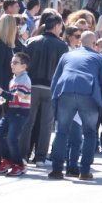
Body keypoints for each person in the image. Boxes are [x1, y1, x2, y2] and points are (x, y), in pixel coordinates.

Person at [47, 31, 102, 181]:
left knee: (61, 132)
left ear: (79, 42)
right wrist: (99, 103)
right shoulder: (100, 58)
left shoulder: (67, 55)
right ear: (95, 44)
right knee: (89, 133)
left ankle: (56, 170)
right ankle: (85, 171)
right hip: (88, 93)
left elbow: (55, 81)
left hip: (66, 91)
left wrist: (54, 101)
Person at [20, 14, 67, 165]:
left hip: (31, 85)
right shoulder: (62, 45)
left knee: (28, 122)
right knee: (47, 124)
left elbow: (23, 63)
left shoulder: (31, 41)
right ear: (56, 26)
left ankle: (23, 155)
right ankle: (40, 157)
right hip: (50, 87)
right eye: (60, 26)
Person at [0, 52, 33, 177]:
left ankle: (19, 165)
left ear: (24, 66)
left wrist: (1, 93)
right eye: (12, 62)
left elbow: (17, 98)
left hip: (20, 113)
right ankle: (8, 160)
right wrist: (0, 100)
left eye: (15, 62)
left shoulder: (24, 79)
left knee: (11, 139)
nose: (12, 65)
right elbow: (12, 98)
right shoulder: (14, 79)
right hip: (12, 112)